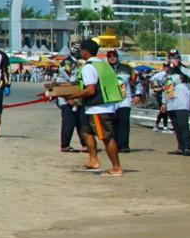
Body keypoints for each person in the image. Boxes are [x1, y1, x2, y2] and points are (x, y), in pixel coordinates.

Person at [69, 39, 124, 175]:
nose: (80, 52)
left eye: (81, 50)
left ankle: (116, 167)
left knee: (106, 137)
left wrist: (73, 96)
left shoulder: (89, 67)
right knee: (86, 131)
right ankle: (93, 160)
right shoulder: (105, 65)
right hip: (104, 105)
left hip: (98, 108)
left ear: (86, 52)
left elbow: (91, 89)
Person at [164, 53, 190, 155]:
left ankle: (187, 148)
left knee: (183, 125)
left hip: (182, 103)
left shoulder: (186, 69)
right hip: (171, 103)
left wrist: (178, 65)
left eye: (175, 58)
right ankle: (180, 147)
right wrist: (163, 102)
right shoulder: (169, 72)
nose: (173, 60)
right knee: (176, 126)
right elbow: (166, 86)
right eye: (171, 58)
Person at [107, 49, 135, 152]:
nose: (112, 58)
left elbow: (136, 82)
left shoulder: (127, 68)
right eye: (110, 56)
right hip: (110, 100)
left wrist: (138, 95)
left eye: (114, 55)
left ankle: (124, 145)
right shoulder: (105, 69)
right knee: (113, 123)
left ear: (117, 57)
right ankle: (114, 145)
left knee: (124, 122)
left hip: (125, 99)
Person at [53, 60, 81, 152]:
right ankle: (65, 145)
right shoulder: (67, 64)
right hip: (67, 100)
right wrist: (69, 99)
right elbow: (61, 84)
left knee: (79, 123)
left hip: (74, 98)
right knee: (68, 123)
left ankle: (84, 144)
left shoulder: (71, 63)